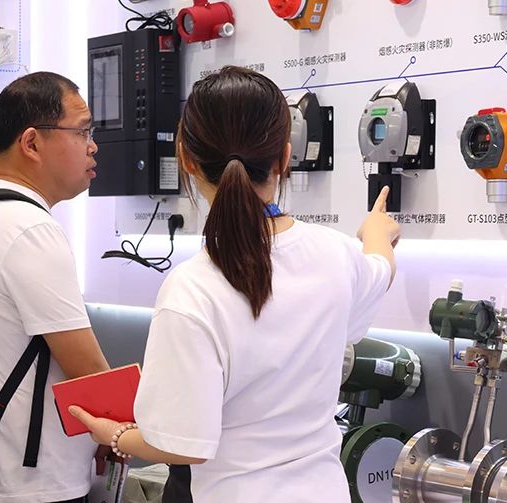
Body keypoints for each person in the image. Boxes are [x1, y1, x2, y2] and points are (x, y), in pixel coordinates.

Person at [69, 66, 401, 502]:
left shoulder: (193, 290)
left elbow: (182, 445)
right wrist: (377, 231)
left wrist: (113, 434)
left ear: (186, 159)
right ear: (284, 157)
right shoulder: (337, 255)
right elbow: (380, 267)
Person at [0, 72, 110, 503]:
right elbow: (86, 368)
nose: (93, 146)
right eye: (83, 131)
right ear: (32, 144)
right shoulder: (30, 229)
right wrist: (122, 433)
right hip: (36, 486)